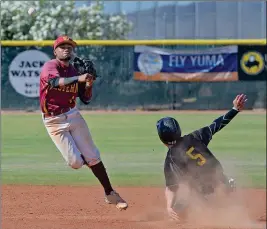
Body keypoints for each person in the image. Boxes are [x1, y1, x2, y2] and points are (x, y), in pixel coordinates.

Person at [39, 35, 128, 210]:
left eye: (70, 47)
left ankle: (110, 193)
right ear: (55, 50)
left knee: (93, 156)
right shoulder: (50, 66)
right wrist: (78, 78)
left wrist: (88, 83)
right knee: (75, 163)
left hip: (73, 115)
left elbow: (85, 99)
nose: (66, 49)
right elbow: (55, 82)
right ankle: (86, 159)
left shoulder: (74, 70)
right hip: (53, 121)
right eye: (62, 46)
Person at [156, 94, 247, 220]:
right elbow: (217, 125)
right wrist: (235, 109)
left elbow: (172, 188)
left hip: (204, 192)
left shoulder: (171, 159)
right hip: (220, 179)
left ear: (162, 139)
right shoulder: (194, 137)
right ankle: (226, 186)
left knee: (178, 210)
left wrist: (169, 207)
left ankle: (211, 207)